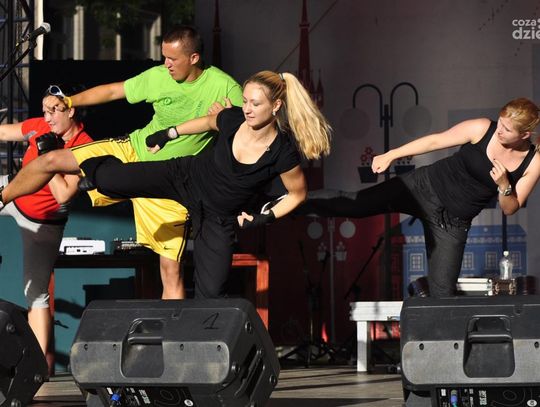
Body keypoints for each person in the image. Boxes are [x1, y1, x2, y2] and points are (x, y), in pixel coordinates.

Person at [4, 71, 331, 298]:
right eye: (244, 101)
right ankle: (93, 169)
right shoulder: (233, 120)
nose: (246, 109)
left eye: (254, 104)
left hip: (218, 216)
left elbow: (297, 194)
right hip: (184, 177)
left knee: (211, 293)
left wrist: (263, 217)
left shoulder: (282, 152)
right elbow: (208, 121)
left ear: (276, 107)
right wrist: (169, 133)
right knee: (109, 177)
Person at [0, 25, 243, 300]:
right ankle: (2, 197)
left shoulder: (225, 88)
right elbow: (113, 91)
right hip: (133, 152)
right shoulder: (159, 76)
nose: (166, 64)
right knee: (52, 159)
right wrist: (70, 100)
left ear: (194, 58)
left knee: (170, 270)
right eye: (164, 56)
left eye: (172, 59)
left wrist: (227, 121)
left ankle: (174, 328)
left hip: (171, 182)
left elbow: (248, 133)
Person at [298, 97, 540, 297]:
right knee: (356, 204)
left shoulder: (533, 162)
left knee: (442, 294)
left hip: (451, 224)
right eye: (500, 122)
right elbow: (435, 141)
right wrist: (391, 155)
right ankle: (290, 202)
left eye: (507, 129)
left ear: (525, 134)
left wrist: (504, 185)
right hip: (421, 188)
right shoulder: (482, 128)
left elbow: (510, 208)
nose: (499, 130)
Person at [0, 85, 93, 355]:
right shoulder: (40, 127)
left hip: (42, 222)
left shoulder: (85, 146)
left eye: (53, 111)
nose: (48, 118)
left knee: (36, 292)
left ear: (71, 110)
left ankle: (38, 369)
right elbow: (4, 132)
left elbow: (64, 194)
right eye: (44, 111)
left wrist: (48, 158)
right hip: (12, 193)